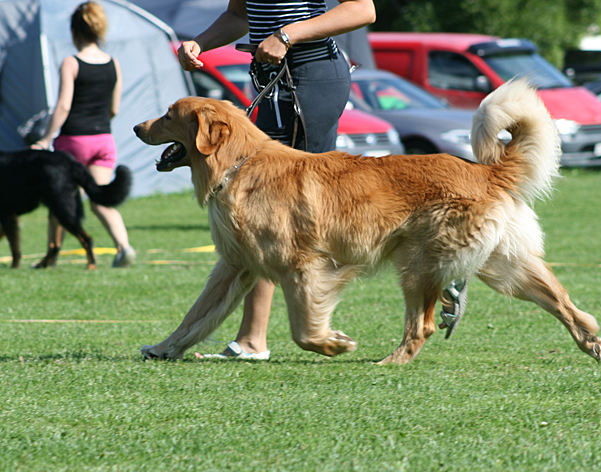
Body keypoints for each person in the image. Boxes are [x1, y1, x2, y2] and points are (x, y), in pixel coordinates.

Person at [184, 0, 465, 360]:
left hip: (311, 77)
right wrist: (201, 43)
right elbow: (240, 15)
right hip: (271, 77)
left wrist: (286, 35)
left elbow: (363, 9)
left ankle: (446, 253)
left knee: (279, 220)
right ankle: (253, 339)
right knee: (262, 219)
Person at [32, 1, 135, 268]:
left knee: (60, 200)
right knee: (99, 199)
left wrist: (45, 139)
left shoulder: (71, 62)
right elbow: (114, 108)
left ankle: (52, 253)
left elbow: (64, 106)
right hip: (104, 140)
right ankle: (123, 246)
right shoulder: (114, 63)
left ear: (74, 32)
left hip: (73, 142)